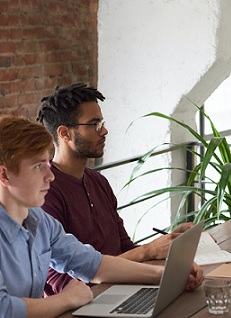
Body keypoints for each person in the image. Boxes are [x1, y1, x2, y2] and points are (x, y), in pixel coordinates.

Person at [0, 115, 204, 317]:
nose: (50, 176)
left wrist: (166, 276)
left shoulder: (40, 221)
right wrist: (67, 298)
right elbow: (4, 310)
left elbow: (92, 264)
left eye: (47, 164)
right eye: (38, 167)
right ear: (4, 175)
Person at [36, 83, 194, 295]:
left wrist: (167, 247)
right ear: (65, 133)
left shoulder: (98, 181)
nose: (104, 131)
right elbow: (61, 284)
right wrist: (148, 252)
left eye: (102, 122)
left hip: (123, 289)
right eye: (94, 124)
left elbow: (125, 248)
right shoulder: (45, 192)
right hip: (84, 303)